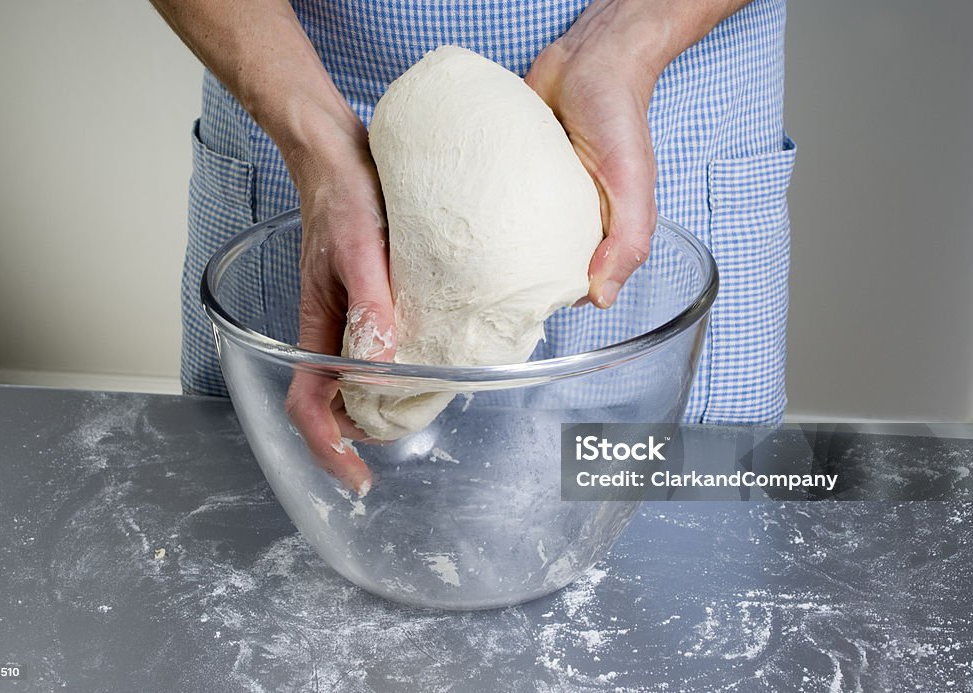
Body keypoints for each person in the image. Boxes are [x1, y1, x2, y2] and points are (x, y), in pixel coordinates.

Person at [152, 0, 796, 488]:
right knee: (273, 542)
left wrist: (620, 44)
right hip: (302, 108)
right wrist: (313, 140)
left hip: (655, 115)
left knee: (681, 578)